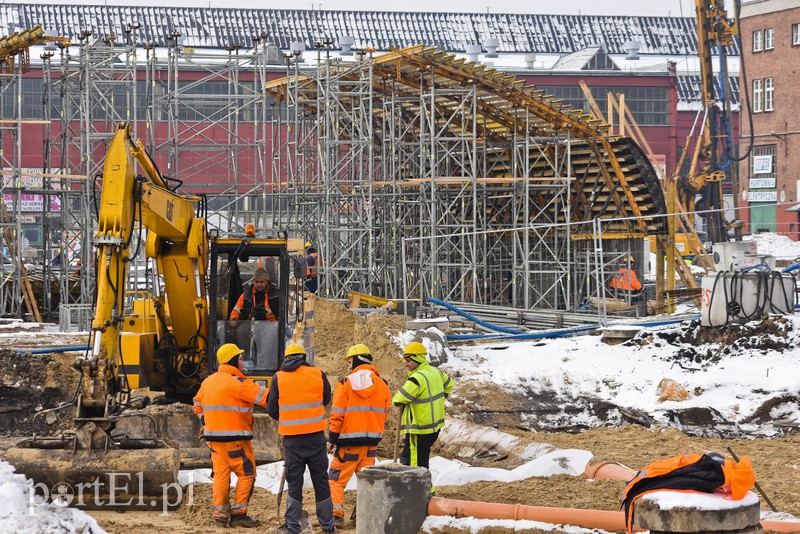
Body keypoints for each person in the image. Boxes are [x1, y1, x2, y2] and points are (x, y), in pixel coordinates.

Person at [192, 343, 268, 528]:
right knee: (247, 474)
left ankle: (220, 516)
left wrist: (205, 421)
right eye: (240, 358)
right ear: (233, 361)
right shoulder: (239, 384)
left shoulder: (208, 382)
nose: (243, 362)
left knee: (220, 476)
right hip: (236, 441)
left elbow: (197, 403)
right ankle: (239, 514)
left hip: (214, 441)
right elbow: (269, 398)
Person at [267, 343, 336, 534]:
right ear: (304, 358)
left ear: (286, 359)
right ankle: (328, 525)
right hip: (316, 438)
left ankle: (293, 526)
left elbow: (272, 409)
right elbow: (325, 399)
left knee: (294, 483)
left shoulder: (278, 378)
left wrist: (290, 418)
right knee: (321, 481)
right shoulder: (318, 374)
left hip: (293, 441)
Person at [327, 344, 392, 527]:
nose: (348, 365)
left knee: (336, 480)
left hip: (348, 442)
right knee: (367, 481)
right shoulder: (383, 384)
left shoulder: (345, 383)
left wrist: (332, 438)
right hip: (371, 443)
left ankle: (336, 515)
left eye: (349, 361)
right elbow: (385, 412)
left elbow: (338, 413)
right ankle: (365, 515)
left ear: (356, 360)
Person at [392, 341, 453, 483]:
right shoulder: (435, 372)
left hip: (419, 430)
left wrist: (395, 399)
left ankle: (420, 493)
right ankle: (424, 491)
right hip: (434, 428)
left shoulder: (417, 379)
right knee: (416, 459)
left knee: (415, 466)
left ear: (418, 358)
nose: (406, 364)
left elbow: (398, 398)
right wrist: (441, 398)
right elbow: (449, 383)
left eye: (408, 360)